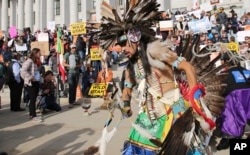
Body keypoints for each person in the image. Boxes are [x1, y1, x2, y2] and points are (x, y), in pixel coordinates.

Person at [97, 1, 214, 154]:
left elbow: (188, 67)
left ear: (134, 37)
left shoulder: (156, 51)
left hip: (171, 113)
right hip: (146, 118)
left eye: (124, 44)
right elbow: (127, 88)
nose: (122, 49)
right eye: (120, 46)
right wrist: (125, 104)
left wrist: (194, 99)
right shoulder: (130, 67)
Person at [21, 48, 43, 123]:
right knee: (33, 99)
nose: (40, 54)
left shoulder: (36, 61)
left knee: (33, 99)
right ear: (35, 53)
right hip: (30, 83)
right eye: (39, 53)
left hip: (36, 82)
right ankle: (33, 115)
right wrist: (30, 77)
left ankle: (31, 114)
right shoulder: (29, 61)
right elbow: (23, 71)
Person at [63, 43, 81, 108]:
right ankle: (70, 102)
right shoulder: (67, 54)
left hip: (76, 72)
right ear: (71, 48)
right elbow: (63, 63)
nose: (74, 49)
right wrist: (69, 66)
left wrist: (77, 66)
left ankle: (74, 100)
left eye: (75, 48)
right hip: (70, 73)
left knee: (75, 87)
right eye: (73, 48)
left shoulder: (77, 55)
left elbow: (80, 63)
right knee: (71, 87)